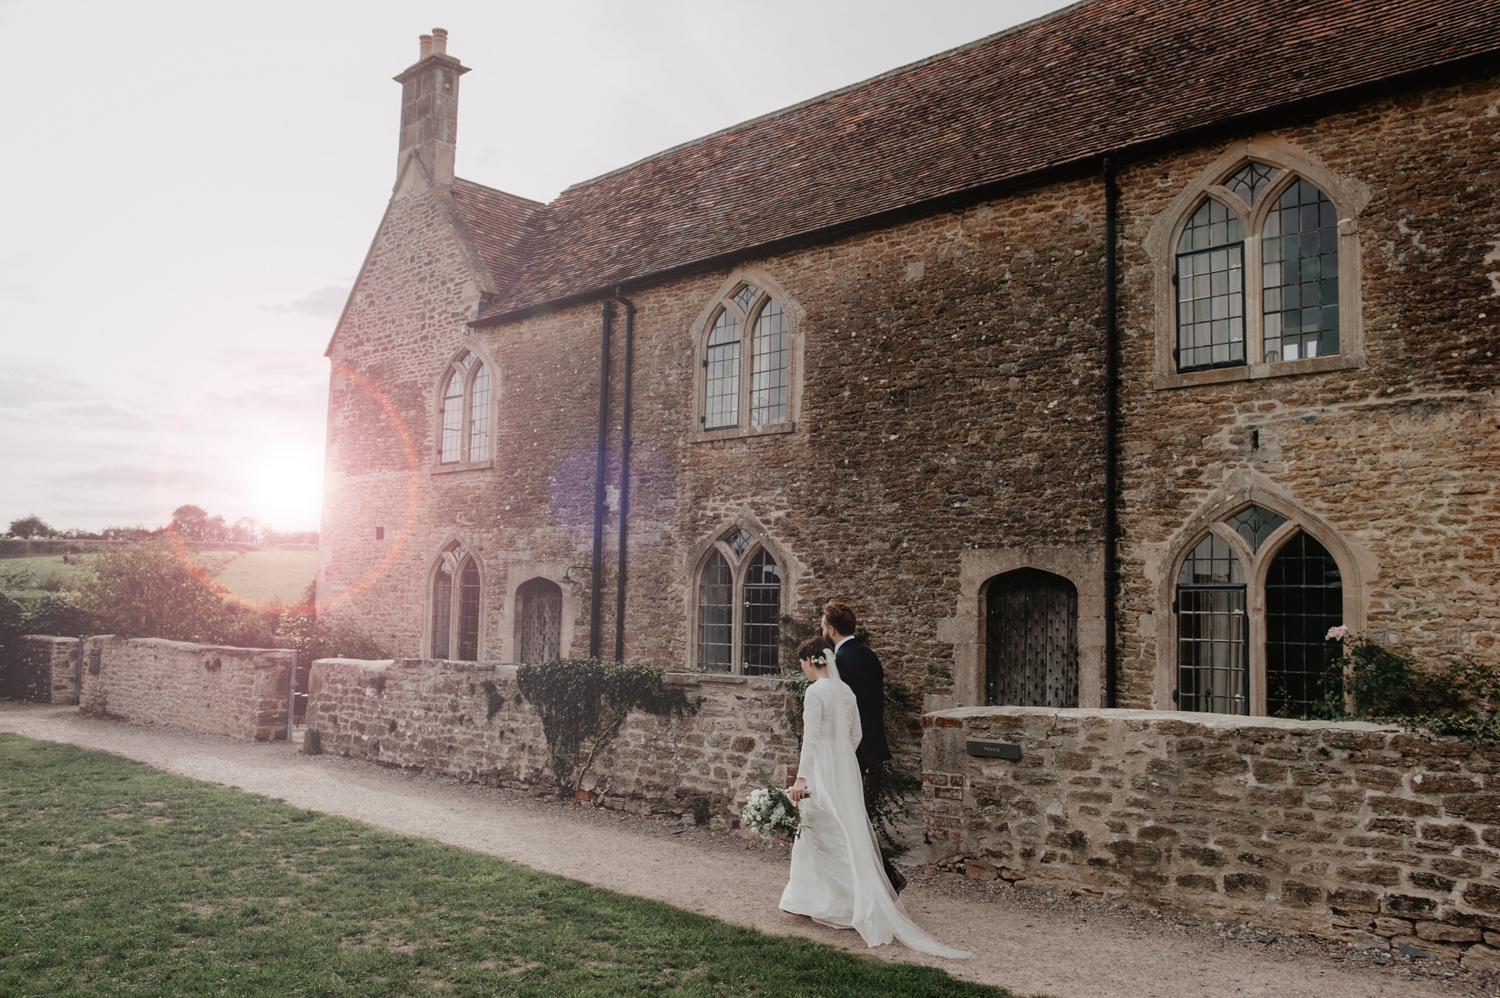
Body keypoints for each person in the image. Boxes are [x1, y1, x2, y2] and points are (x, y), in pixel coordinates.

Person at [778, 636, 970, 958]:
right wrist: (843, 761)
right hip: (845, 766)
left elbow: (809, 740)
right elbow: (856, 735)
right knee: (839, 829)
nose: (804, 671)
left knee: (823, 830)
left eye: (803, 665)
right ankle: (809, 900)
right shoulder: (846, 691)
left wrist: (802, 779)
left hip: (823, 768)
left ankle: (853, 900)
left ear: (812, 660)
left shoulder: (815, 692)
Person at [820, 601, 905, 892]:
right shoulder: (869, 655)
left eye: (823, 625)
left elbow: (842, 710)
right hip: (871, 745)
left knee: (847, 816)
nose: (822, 630)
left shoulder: (839, 660)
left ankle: (883, 875)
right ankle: (878, 875)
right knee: (854, 814)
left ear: (831, 629)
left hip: (852, 748)